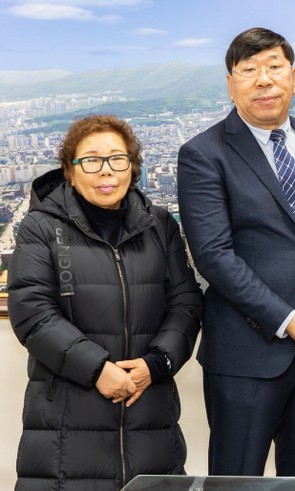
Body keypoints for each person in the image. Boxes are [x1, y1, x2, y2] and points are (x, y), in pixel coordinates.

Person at [177, 27, 295, 477]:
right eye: (249, 70)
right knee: (236, 479)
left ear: (294, 77)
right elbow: (214, 256)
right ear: (230, 83)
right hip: (247, 351)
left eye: (275, 67)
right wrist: (287, 319)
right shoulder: (203, 153)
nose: (264, 80)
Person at [8, 114, 203, 490]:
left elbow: (185, 303)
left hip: (149, 417)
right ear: (70, 170)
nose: (106, 170)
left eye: (117, 158)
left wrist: (157, 364)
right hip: (66, 424)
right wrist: (97, 369)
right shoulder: (41, 227)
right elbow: (32, 312)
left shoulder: (159, 225)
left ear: (133, 166)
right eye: (91, 160)